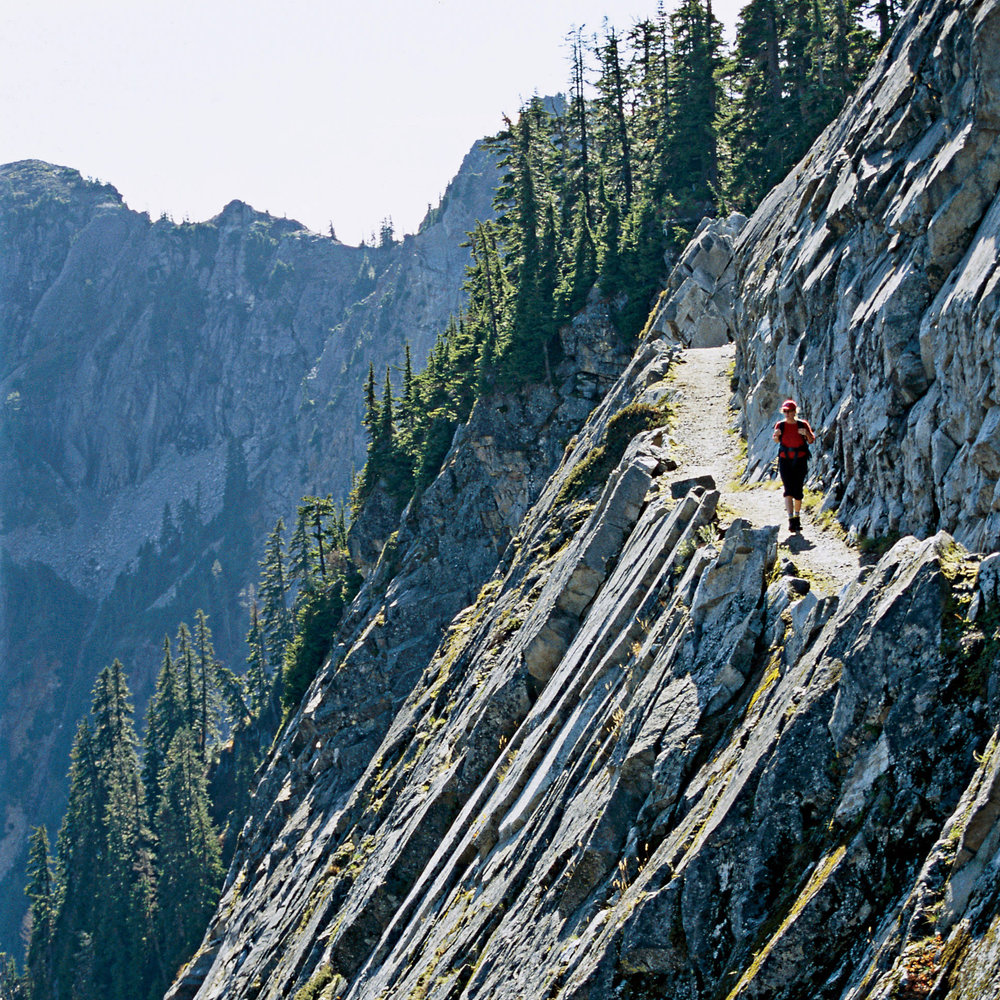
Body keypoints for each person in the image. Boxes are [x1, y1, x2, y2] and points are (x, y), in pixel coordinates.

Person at [772, 399, 815, 531]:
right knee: (788, 490)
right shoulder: (781, 425)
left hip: (800, 460)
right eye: (785, 411)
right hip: (785, 461)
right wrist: (776, 436)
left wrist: (806, 433)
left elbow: (811, 440)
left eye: (790, 411)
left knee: (798, 491)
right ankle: (791, 520)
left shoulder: (802, 424)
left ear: (795, 411)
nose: (787, 414)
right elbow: (776, 440)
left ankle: (797, 518)